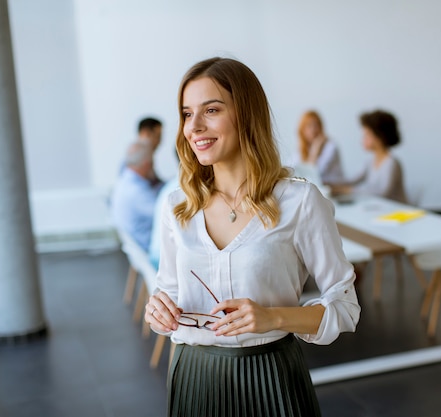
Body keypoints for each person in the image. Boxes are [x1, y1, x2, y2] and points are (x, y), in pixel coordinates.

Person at [144, 57, 360, 417]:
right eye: (186, 114)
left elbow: (346, 307)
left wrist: (274, 318)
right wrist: (157, 310)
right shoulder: (176, 205)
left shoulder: (299, 201)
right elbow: (169, 291)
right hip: (194, 375)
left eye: (210, 110)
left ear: (246, 114)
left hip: (270, 375)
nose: (194, 127)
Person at [328, 109, 408, 204]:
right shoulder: (370, 162)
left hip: (398, 212)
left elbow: (383, 193)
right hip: (381, 209)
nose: (363, 139)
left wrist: (348, 190)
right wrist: (330, 184)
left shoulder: (392, 163)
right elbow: (353, 180)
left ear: (379, 137)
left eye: (366, 135)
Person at [110, 141, 163, 250]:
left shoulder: (125, 181)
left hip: (139, 245)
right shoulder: (136, 191)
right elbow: (164, 215)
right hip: (151, 249)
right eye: (152, 162)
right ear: (146, 164)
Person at [291, 110, 345, 185]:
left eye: (316, 125)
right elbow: (292, 172)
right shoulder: (300, 150)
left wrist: (315, 150)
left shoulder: (331, 147)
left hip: (335, 192)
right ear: (302, 130)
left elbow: (314, 175)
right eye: (309, 126)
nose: (313, 130)